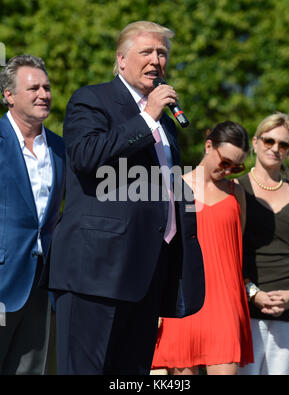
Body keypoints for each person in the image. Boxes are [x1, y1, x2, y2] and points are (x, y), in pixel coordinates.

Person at [43, 21, 205, 375]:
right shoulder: (93, 99)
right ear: (120, 59)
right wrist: (147, 117)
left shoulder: (165, 121)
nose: (156, 60)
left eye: (162, 53)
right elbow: (86, 157)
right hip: (95, 272)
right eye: (146, 51)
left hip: (146, 273)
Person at [151, 121, 254, 375]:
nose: (229, 170)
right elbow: (160, 250)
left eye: (237, 166)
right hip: (183, 302)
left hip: (225, 306)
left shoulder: (235, 192)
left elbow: (235, 247)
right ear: (209, 146)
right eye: (225, 161)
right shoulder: (173, 187)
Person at [0, 55, 65, 374]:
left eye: (47, 87)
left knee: (31, 370)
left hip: (42, 286)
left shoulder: (60, 148)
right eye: (34, 88)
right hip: (1, 280)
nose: (44, 93)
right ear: (9, 95)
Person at [237, 112, 289, 375]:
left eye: (283, 144)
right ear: (255, 142)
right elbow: (226, 252)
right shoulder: (234, 189)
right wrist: (253, 293)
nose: (275, 148)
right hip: (244, 312)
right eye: (269, 140)